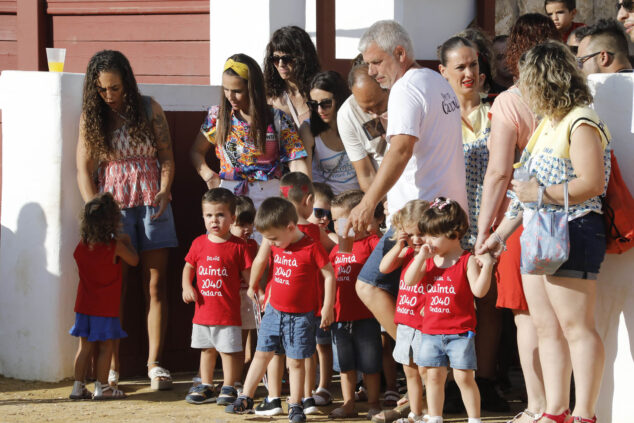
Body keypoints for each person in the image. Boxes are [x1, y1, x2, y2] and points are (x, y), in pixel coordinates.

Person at [481, 41, 611, 423]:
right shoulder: (548, 125)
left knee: (576, 327)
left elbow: (592, 183)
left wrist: (539, 194)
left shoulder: (580, 120)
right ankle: (555, 411)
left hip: (573, 230)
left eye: (527, 82)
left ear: (544, 81)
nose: (521, 91)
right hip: (541, 234)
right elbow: (523, 195)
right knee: (547, 327)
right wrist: (499, 235)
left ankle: (584, 414)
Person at [349, 20, 466, 341]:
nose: (371, 72)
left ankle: (414, 358)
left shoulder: (404, 89)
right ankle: (427, 377)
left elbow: (400, 149)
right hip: (447, 213)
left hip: (419, 218)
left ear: (399, 53)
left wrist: (368, 201)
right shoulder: (435, 80)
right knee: (430, 304)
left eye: (375, 62)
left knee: (369, 285)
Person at [474, 14, 560, 423]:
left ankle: (537, 405)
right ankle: (564, 405)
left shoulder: (510, 101)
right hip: (570, 213)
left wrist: (484, 226)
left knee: (527, 318)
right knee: (567, 319)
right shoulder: (575, 96)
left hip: (522, 220)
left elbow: (498, 172)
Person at [76, 49, 178, 391]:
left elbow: (166, 156)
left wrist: (165, 189)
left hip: (153, 202)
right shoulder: (92, 117)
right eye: (102, 90)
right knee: (112, 288)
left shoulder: (149, 108)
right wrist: (97, 216)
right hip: (114, 208)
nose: (109, 96)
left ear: (127, 82)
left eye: (115, 88)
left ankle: (154, 364)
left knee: (154, 284)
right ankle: (113, 367)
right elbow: (83, 170)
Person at [438, 35, 508, 412]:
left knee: (489, 303)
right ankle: (449, 381)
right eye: (460, 66)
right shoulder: (437, 116)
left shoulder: (497, 110)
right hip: (450, 223)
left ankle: (485, 378)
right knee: (451, 302)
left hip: (491, 220)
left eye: (474, 65)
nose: (469, 73)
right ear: (443, 71)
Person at [226, 197, 335, 423]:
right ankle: (246, 397)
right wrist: (254, 285)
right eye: (267, 239)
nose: (271, 244)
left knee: (295, 361)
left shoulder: (311, 247)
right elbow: (261, 261)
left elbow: (329, 274)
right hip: (274, 311)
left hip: (301, 316)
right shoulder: (277, 241)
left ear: (291, 228)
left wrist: (327, 306)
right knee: (261, 353)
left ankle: (296, 404)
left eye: (274, 239)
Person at [404, 198, 495, 423]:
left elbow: (479, 291)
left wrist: (488, 266)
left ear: (454, 234)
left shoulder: (466, 260)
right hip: (431, 332)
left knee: (464, 377)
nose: (427, 241)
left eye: (433, 236)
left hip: (460, 333)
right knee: (433, 376)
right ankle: (434, 416)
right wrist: (421, 258)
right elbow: (409, 280)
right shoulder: (428, 260)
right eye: (426, 235)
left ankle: (474, 418)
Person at [190, 53, 309, 208]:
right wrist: (208, 176)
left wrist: (301, 195)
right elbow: (196, 151)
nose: (230, 96)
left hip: (269, 198)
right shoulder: (217, 117)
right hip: (230, 196)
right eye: (226, 89)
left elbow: (296, 160)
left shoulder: (277, 119)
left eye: (237, 91)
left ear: (253, 89)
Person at [182, 188, 255, 405]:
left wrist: (257, 292)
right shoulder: (198, 243)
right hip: (203, 312)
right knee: (207, 350)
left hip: (227, 313)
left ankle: (229, 386)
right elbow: (189, 267)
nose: (214, 220)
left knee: (229, 351)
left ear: (232, 218)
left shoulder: (238, 246)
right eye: (209, 215)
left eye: (221, 215)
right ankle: (206, 385)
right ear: (203, 217)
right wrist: (186, 286)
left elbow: (249, 275)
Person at [69, 193, 139, 401]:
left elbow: (78, 259)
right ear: (113, 221)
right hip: (105, 306)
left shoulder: (82, 245)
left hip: (84, 304)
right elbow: (134, 260)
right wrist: (127, 243)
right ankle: (102, 388)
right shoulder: (114, 246)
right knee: (106, 346)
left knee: (85, 347)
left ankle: (77, 387)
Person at [328, 190, 383, 419]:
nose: (338, 226)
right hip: (340, 316)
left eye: (343, 220)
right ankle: (348, 403)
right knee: (345, 364)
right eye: (334, 221)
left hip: (366, 314)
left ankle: (373, 403)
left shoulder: (373, 243)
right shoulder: (336, 250)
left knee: (370, 363)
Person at [378, 200, 431, 423]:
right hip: (405, 323)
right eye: (410, 234)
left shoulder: (431, 256)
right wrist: (400, 245)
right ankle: (415, 413)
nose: (416, 240)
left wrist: (420, 252)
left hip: (424, 325)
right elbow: (383, 268)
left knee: (427, 373)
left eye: (421, 233)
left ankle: (430, 412)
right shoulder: (407, 252)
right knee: (410, 373)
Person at [300, 71, 360, 195]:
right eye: (314, 104)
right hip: (326, 203)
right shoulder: (308, 129)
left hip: (358, 198)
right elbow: (306, 176)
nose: (320, 110)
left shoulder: (356, 121)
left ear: (339, 99)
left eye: (326, 103)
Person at [337, 56, 390, 192]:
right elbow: (366, 174)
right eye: (367, 110)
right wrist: (380, 204)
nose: (374, 115)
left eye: (378, 105)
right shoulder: (347, 114)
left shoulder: (405, 97)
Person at [264, 25, 321, 129]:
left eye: (287, 58)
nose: (281, 64)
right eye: (275, 59)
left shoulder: (319, 92)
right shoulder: (268, 96)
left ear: (303, 58)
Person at [230, 196, 260, 373]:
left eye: (250, 223)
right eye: (241, 225)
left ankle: (239, 377)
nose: (247, 229)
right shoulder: (228, 245)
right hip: (230, 297)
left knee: (245, 335)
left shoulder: (253, 244)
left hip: (247, 296)